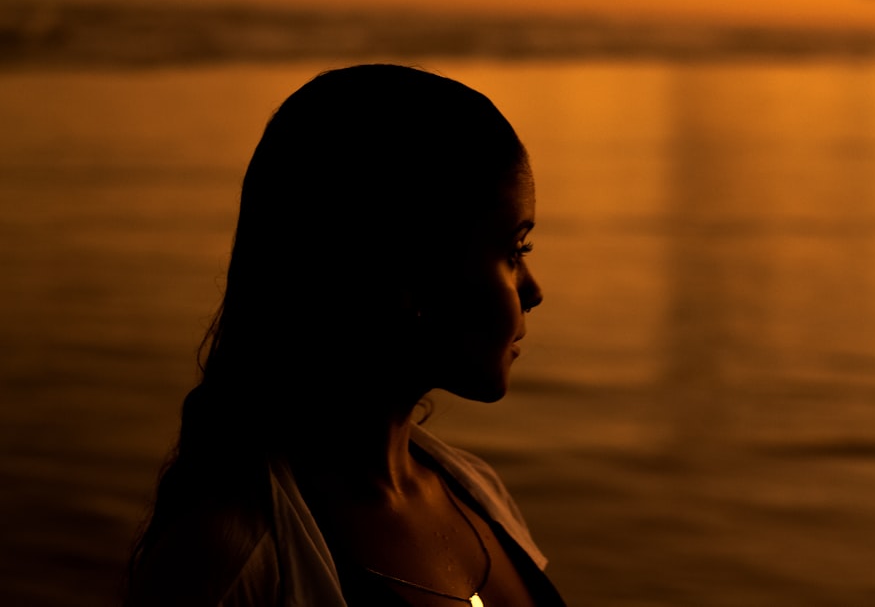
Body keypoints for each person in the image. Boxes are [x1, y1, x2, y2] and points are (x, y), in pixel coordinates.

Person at [124, 64, 565, 606]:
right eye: (514, 252)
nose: (534, 290)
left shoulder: (476, 490)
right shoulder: (228, 564)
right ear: (410, 271)